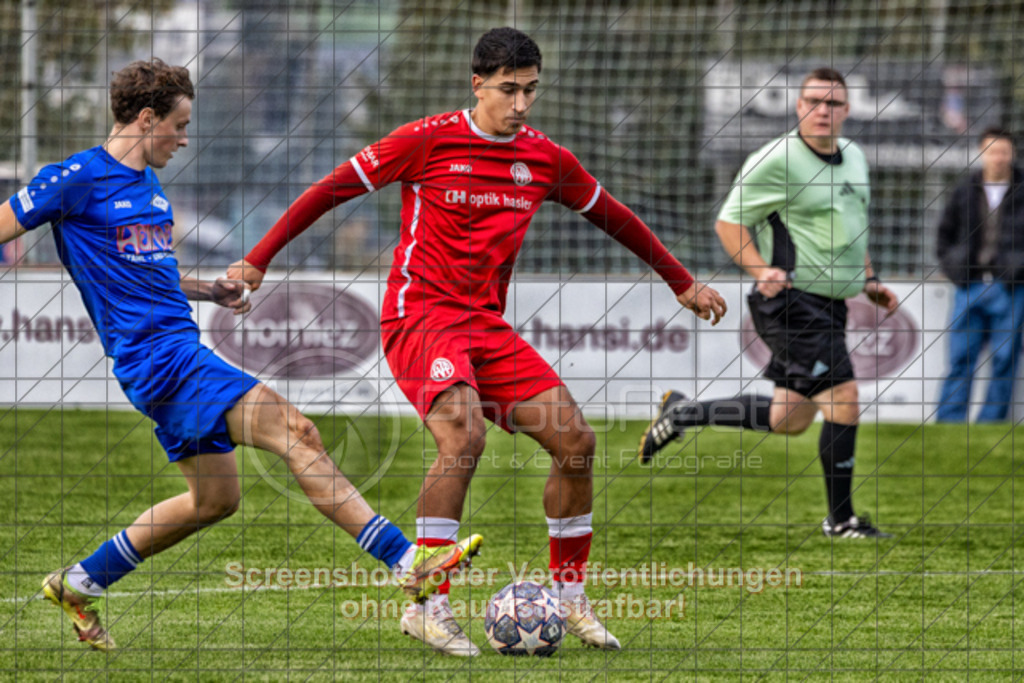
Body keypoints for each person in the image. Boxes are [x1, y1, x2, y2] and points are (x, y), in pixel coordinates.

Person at [228, 27, 726, 656]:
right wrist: (256, 260)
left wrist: (682, 283)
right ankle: (427, 605)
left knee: (576, 441)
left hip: (484, 324)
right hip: (420, 315)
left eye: (531, 91)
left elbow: (614, 215)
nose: (520, 105)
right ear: (478, 84)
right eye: (509, 90)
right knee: (464, 434)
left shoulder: (545, 158)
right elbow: (331, 190)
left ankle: (570, 600)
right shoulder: (426, 140)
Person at [0, 58, 480, 652]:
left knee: (215, 501)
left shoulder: (148, 187)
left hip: (174, 351)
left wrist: (210, 289)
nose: (183, 138)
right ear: (146, 119)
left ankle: (79, 582)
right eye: (178, 125)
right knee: (297, 431)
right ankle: (406, 561)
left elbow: (150, 273)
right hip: (159, 360)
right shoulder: (73, 179)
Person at [639, 67, 899, 539]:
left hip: (831, 306)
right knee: (844, 397)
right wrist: (761, 270)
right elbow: (729, 223)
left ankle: (684, 413)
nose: (824, 110)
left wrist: (870, 279)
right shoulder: (777, 158)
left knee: (790, 419)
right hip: (792, 304)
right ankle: (841, 520)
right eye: (815, 101)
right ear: (799, 107)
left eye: (835, 103)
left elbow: (850, 229)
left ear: (848, 109)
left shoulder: (856, 157)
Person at [935, 128, 1024, 422]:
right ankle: (949, 423)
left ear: (1012, 154)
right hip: (969, 285)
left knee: (1004, 360)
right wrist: (955, 268)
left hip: (1010, 288)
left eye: (1004, 152)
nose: (998, 158)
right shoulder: (965, 189)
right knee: (960, 357)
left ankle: (991, 424)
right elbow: (943, 236)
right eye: (992, 151)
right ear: (982, 153)